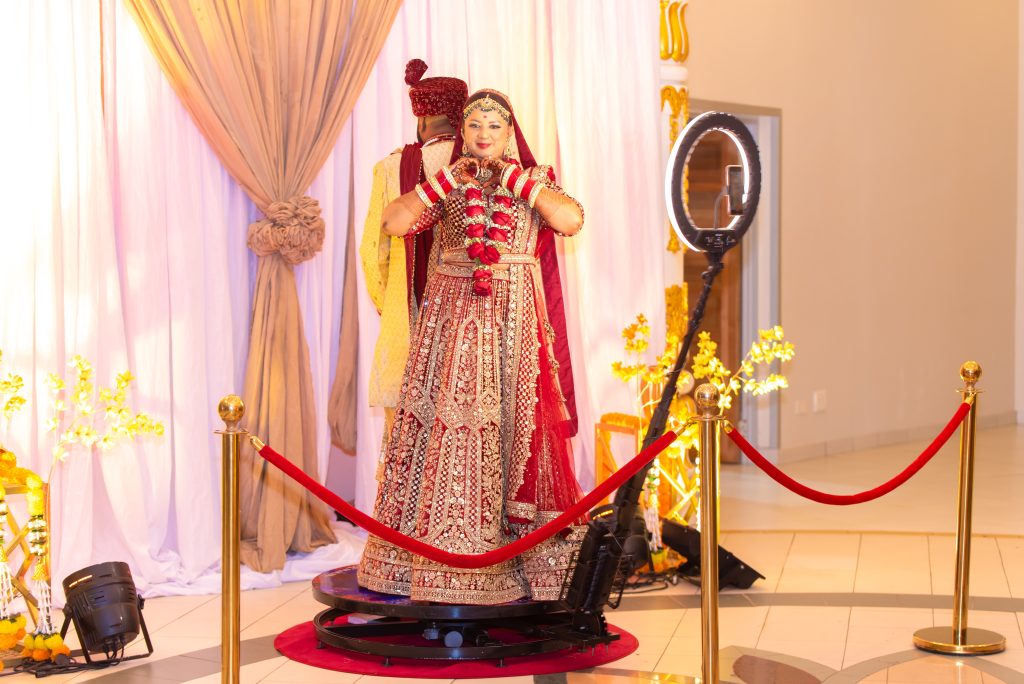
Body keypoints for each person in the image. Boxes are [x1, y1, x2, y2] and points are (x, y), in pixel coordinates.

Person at [358, 89, 585, 605]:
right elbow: (394, 223)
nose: (484, 134)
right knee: (448, 425)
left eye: (494, 126)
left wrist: (513, 179)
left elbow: (570, 220)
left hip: (513, 326)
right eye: (475, 125)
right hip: (451, 326)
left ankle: (519, 564)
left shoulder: (536, 178)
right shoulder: (445, 185)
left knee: (515, 432)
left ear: (509, 133)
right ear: (462, 131)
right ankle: (433, 560)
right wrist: (444, 183)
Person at [358, 60, 467, 433]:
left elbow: (373, 254)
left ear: (422, 119)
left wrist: (390, 305)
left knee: (405, 444)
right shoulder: (482, 165)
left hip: (409, 322)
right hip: (472, 323)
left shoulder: (392, 168)